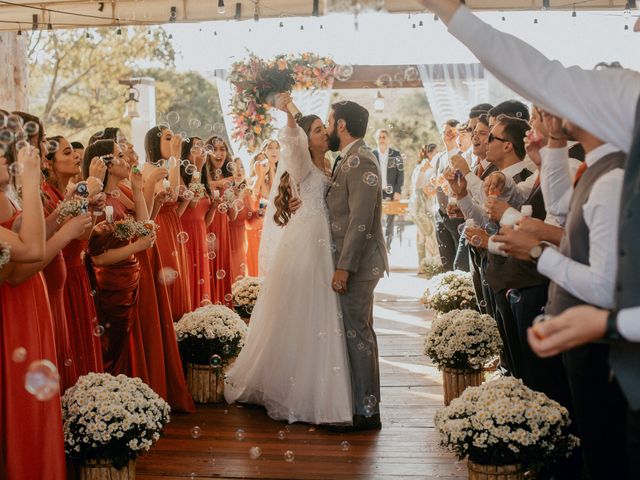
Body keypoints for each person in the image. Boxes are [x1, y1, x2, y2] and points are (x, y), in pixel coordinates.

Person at [418, 0, 640, 473]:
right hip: (583, 332)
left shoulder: (615, 174)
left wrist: (537, 249)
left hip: (604, 344)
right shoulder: (603, 164)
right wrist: (555, 147)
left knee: (605, 455)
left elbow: (533, 70)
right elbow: (559, 201)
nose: (551, 99)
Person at [224, 95, 353, 426]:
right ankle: (290, 386)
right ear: (306, 138)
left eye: (325, 128)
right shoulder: (301, 161)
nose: (324, 133)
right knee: (302, 305)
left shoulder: (331, 164)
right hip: (306, 241)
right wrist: (292, 111)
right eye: (318, 129)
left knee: (319, 308)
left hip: (326, 241)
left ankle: (317, 379)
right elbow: (291, 137)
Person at [326, 100, 389, 432]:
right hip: (352, 263)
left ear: (341, 125)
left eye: (329, 120)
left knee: (359, 334)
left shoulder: (361, 160)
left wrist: (344, 267)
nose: (326, 126)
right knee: (357, 332)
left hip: (359, 265)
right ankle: (359, 405)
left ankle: (366, 413)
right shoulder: (347, 159)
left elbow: (361, 222)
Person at [409, 143, 440, 272]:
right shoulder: (423, 166)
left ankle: (423, 265)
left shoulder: (431, 167)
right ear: (429, 153)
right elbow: (418, 185)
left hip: (424, 205)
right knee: (430, 233)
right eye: (436, 152)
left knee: (422, 235)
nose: (438, 154)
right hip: (419, 206)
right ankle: (431, 263)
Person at [373, 129, 404, 252]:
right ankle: (378, 246)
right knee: (376, 219)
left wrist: (398, 191)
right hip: (376, 192)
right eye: (379, 137)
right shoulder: (372, 154)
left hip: (391, 192)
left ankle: (387, 246)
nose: (381, 139)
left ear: (388, 139)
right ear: (376, 139)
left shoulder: (396, 154)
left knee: (390, 221)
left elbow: (400, 174)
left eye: (384, 137)